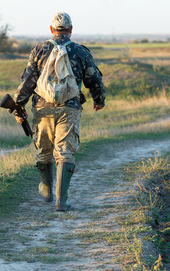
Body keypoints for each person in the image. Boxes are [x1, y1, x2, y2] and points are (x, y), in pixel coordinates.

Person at [13, 12, 106, 211]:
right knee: (65, 151)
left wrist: (18, 105)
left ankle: (46, 190)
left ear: (51, 29)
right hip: (69, 108)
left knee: (44, 149)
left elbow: (28, 80)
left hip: (42, 108)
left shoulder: (39, 49)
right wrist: (99, 100)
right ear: (71, 30)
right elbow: (94, 79)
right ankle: (61, 202)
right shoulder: (81, 51)